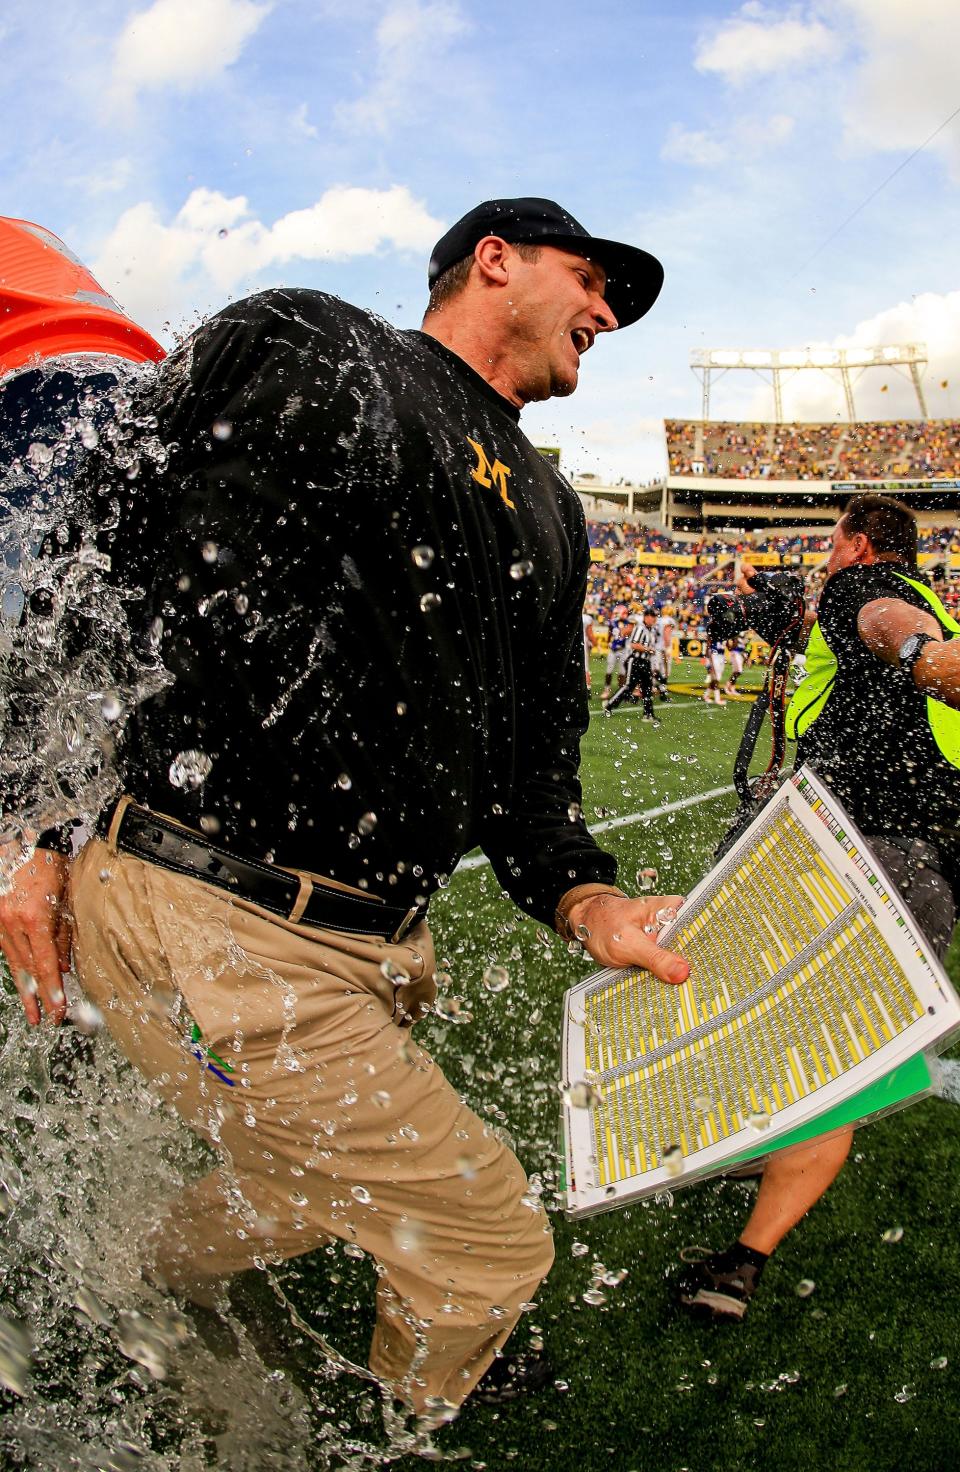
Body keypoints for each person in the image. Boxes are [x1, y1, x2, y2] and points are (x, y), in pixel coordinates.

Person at [0, 197, 690, 1422]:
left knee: (295, 1175)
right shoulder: (325, 345)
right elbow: (108, 561)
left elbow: (534, 765)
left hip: (371, 937)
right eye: (591, 280)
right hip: (205, 906)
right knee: (492, 1240)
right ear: (494, 262)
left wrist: (588, 898)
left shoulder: (553, 506)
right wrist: (22, 826)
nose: (608, 313)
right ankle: (403, 1423)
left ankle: (142, 1268)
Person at [680, 494, 960, 1321]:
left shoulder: (868, 589)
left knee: (810, 1040)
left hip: (869, 854)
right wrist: (762, 617)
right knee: (835, 1040)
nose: (826, 560)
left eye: (831, 542)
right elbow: (837, 640)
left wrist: (919, 654)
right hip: (925, 857)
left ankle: (739, 1262)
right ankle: (753, 1146)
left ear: (861, 544)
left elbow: (880, 621)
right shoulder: (930, 593)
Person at [605, 606, 658, 720]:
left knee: (647, 688)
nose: (654, 619)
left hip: (645, 661)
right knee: (629, 687)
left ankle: (648, 714)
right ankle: (609, 705)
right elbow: (634, 645)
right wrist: (649, 649)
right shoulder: (640, 628)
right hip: (635, 660)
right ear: (647, 617)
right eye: (653, 616)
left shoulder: (650, 630)